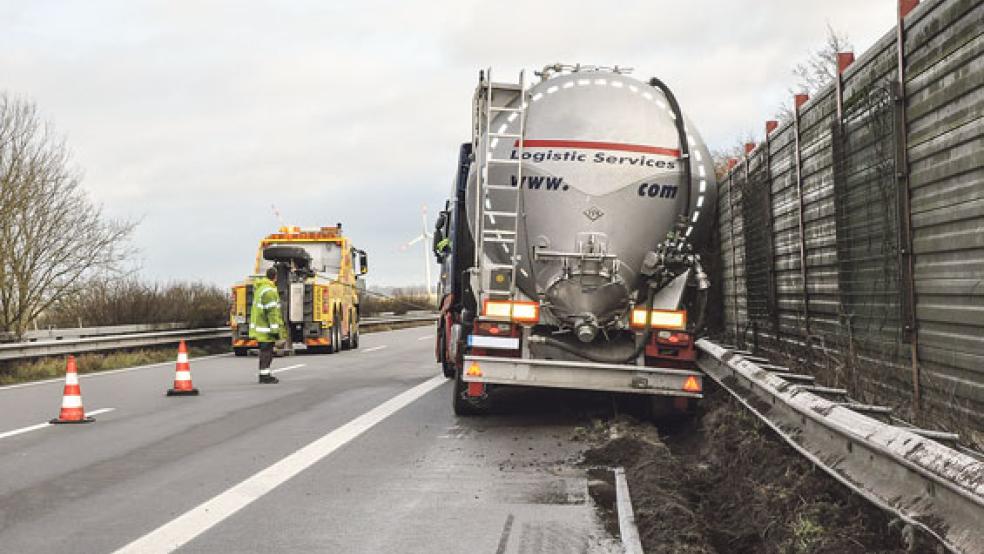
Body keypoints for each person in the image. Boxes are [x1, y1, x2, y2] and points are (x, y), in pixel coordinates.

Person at [249, 266, 285, 384]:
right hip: (266, 328)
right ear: (275, 277)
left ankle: (264, 374)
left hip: (259, 327)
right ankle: (265, 376)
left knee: (265, 351)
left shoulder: (261, 288)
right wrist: (275, 331)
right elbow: (272, 313)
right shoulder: (270, 291)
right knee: (267, 352)